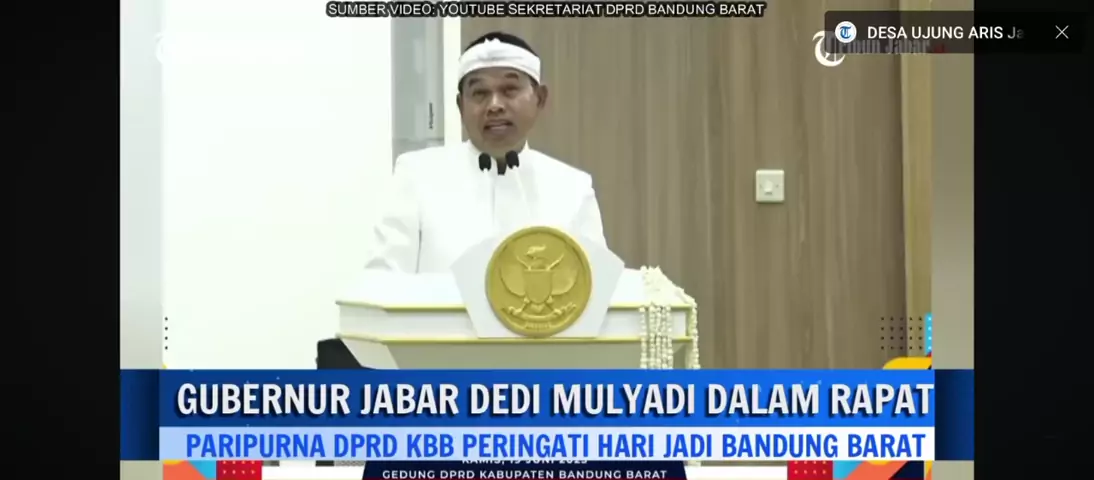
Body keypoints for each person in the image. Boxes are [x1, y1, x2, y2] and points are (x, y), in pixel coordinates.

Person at [364, 32, 607, 273]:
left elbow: (599, 286)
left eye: (510, 90)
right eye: (480, 93)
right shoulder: (418, 176)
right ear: (461, 106)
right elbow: (382, 280)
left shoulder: (573, 188)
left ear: (540, 99)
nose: (494, 105)